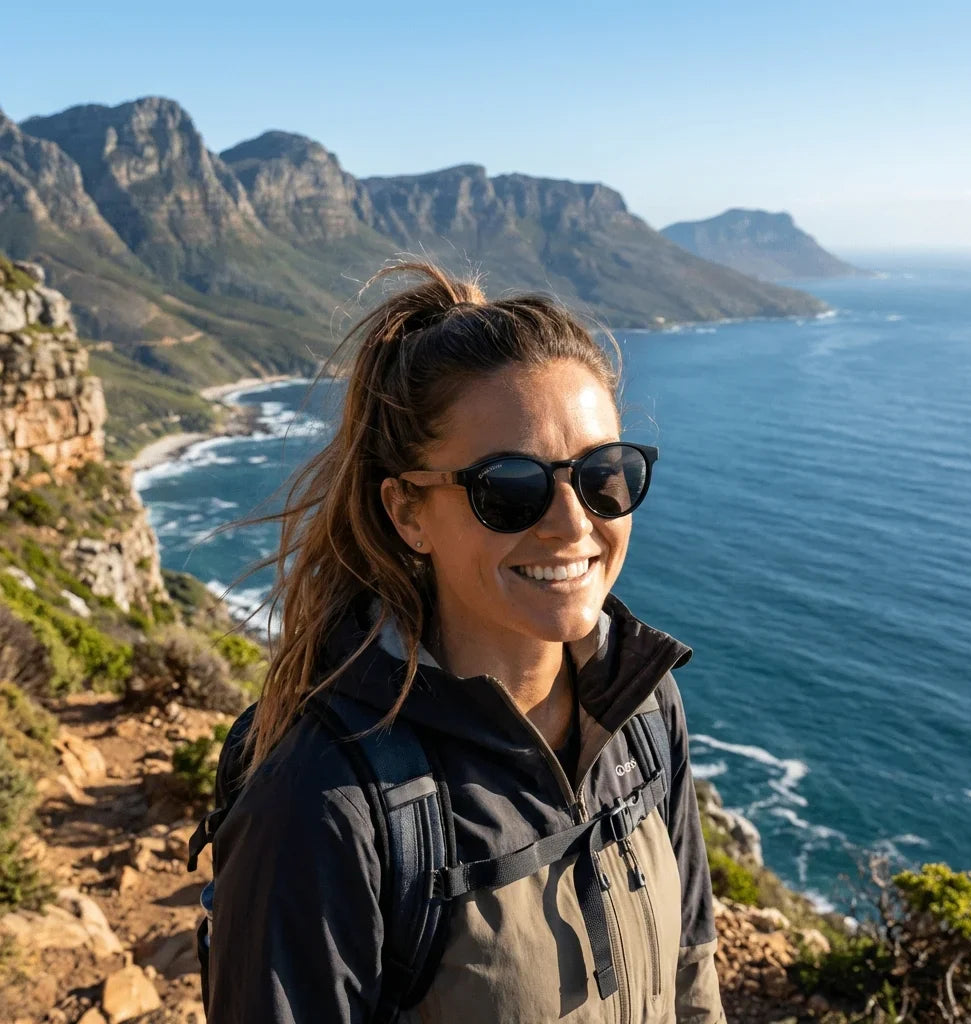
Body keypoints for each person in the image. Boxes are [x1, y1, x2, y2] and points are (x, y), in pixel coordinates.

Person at [207, 262, 726, 1023]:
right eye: (509, 487)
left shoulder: (643, 708)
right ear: (408, 512)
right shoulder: (325, 803)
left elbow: (690, 972)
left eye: (602, 474)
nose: (573, 523)